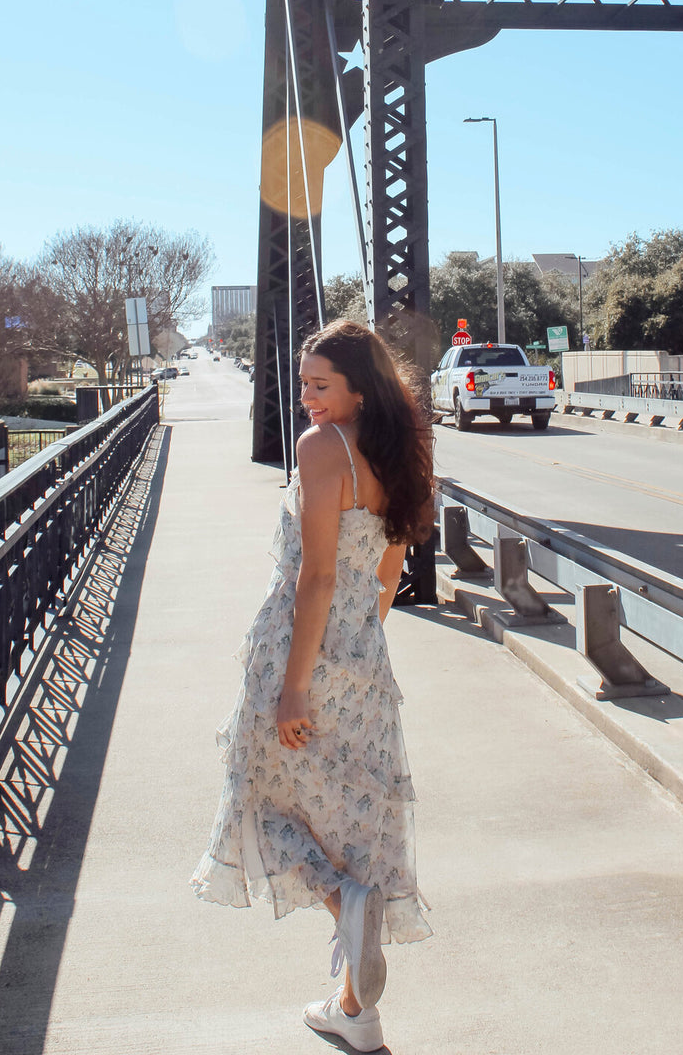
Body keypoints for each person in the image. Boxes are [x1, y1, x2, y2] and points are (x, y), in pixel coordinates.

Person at [191, 319, 434, 1052]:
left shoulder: (323, 449)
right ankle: (356, 1012)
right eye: (302, 384)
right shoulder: (401, 450)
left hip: (300, 650)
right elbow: (387, 571)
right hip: (365, 655)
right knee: (356, 818)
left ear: (360, 387)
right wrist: (362, 637)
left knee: (259, 797)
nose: (306, 398)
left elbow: (317, 576)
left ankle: (346, 905)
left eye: (321, 385)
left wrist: (295, 686)